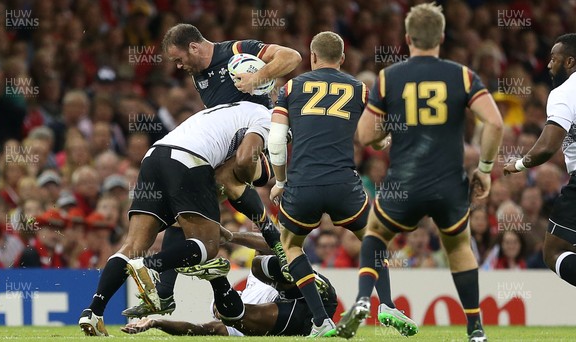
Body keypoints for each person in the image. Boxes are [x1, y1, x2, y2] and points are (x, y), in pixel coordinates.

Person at [337, 4, 503, 342]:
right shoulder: (462, 75)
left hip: (404, 185)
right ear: (442, 37)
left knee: (374, 236)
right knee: (458, 248)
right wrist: (484, 169)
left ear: (408, 38)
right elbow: (495, 123)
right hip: (449, 186)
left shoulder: (389, 77)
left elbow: (365, 136)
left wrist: (387, 134)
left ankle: (360, 301)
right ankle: (476, 330)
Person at [123, 24, 302, 318]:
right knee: (183, 217)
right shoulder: (199, 76)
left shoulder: (236, 51)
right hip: (221, 149)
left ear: (194, 47)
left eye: (179, 59)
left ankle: (274, 241)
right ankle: (166, 295)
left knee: (227, 179)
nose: (179, 66)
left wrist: (259, 76)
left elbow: (292, 57)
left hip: (256, 141)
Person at [78, 101, 271, 336]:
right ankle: (148, 265)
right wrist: (265, 223)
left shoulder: (228, 114)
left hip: (155, 155)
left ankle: (94, 310)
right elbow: (239, 169)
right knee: (207, 246)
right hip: (188, 159)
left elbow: (183, 221)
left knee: (133, 245)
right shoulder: (263, 120)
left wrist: (166, 291)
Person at [267, 31, 370, 337]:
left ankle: (320, 319)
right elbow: (376, 134)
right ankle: (379, 302)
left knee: (291, 246)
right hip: (344, 182)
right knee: (374, 241)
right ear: (342, 58)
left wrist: (280, 181)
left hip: (303, 184)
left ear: (311, 56)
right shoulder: (360, 88)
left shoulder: (291, 86)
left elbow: (275, 142)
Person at [122, 230, 337, 337]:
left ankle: (303, 277)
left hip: (303, 290)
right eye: (217, 310)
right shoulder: (232, 322)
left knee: (259, 264)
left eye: (216, 307)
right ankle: (217, 277)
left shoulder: (250, 284)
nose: (216, 311)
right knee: (238, 318)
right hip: (295, 314)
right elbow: (196, 329)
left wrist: (229, 236)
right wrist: (156, 323)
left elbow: (276, 241)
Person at [504, 33, 576, 289]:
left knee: (555, 252)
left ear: (569, 62)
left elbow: (547, 147)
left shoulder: (564, 92)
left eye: (553, 59)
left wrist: (519, 164)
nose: (548, 65)